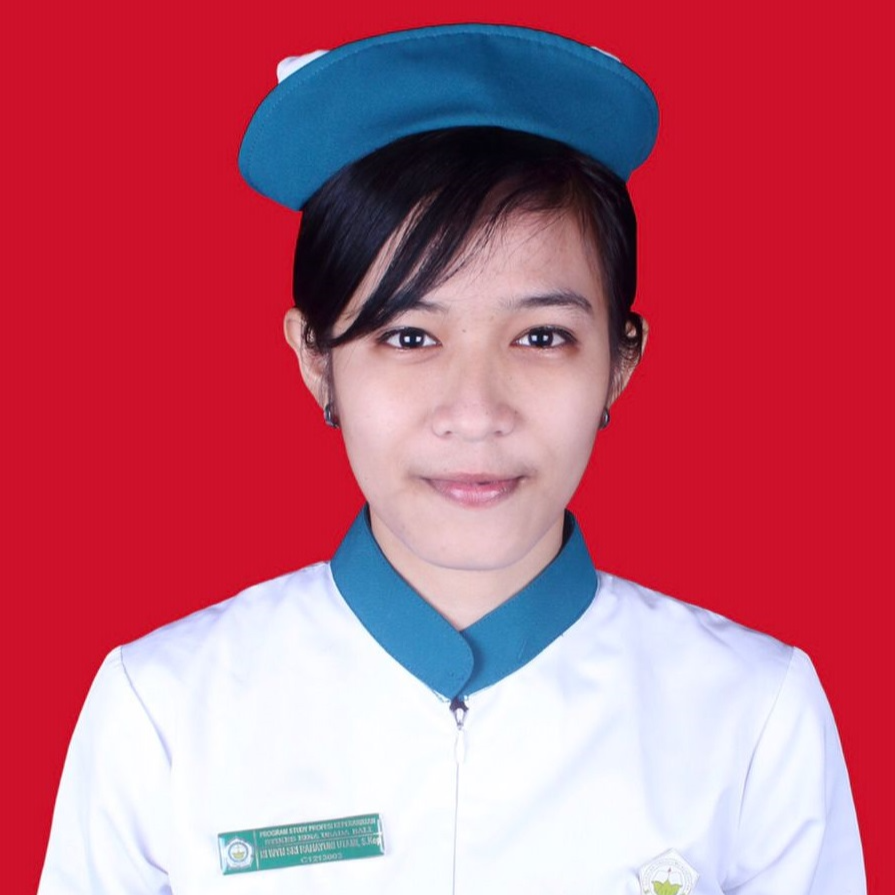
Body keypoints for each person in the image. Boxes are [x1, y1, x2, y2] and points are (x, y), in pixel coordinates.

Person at [38, 23, 865, 894]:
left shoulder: (753, 715)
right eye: (408, 336)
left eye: (540, 336)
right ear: (316, 359)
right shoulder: (164, 712)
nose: (475, 414)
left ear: (620, 361)